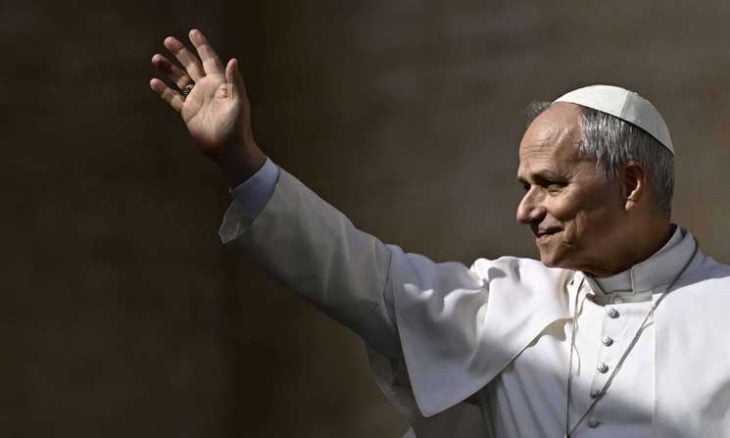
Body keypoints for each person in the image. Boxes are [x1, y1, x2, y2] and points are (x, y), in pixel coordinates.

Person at [149, 29, 730, 437]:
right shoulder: (503, 301)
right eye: (523, 186)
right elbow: (362, 277)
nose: (525, 211)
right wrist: (242, 161)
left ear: (630, 183)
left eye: (550, 184)